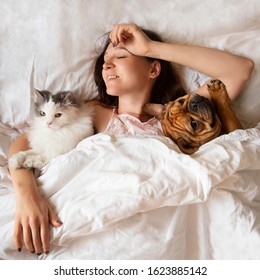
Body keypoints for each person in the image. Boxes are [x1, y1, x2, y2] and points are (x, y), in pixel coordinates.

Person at [8, 23, 254, 255]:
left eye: (121, 56)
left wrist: (150, 48)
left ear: (154, 69)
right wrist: (27, 194)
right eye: (105, 61)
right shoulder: (94, 113)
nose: (107, 65)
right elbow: (24, 144)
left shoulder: (176, 116)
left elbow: (239, 70)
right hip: (91, 221)